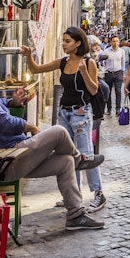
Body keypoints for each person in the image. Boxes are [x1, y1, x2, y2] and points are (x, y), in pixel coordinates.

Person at [0, 66, 106, 231]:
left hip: (12, 158)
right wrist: (30, 126)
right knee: (59, 132)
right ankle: (79, 159)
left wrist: (12, 102)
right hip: (7, 160)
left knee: (65, 162)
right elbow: (5, 123)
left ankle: (75, 215)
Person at [20, 27, 108, 213]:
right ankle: (72, 195)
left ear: (78, 43)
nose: (63, 44)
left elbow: (93, 91)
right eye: (63, 40)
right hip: (64, 113)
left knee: (85, 155)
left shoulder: (89, 62)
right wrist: (28, 55)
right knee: (68, 156)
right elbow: (36, 69)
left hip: (81, 114)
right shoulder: (63, 62)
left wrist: (84, 72)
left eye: (67, 41)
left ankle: (98, 193)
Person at [88, 35, 111, 154]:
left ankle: (102, 107)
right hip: (88, 79)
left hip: (97, 78)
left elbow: (102, 59)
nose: (97, 48)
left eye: (97, 46)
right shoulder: (86, 56)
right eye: (94, 45)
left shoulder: (97, 54)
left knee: (106, 88)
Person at [102, 35, 126, 116]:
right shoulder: (106, 51)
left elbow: (123, 62)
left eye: (117, 41)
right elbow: (103, 61)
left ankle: (118, 109)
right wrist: (104, 69)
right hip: (108, 73)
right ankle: (109, 109)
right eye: (114, 41)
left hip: (118, 73)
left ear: (119, 42)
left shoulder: (122, 51)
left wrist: (123, 73)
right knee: (108, 91)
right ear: (111, 42)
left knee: (118, 91)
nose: (115, 43)